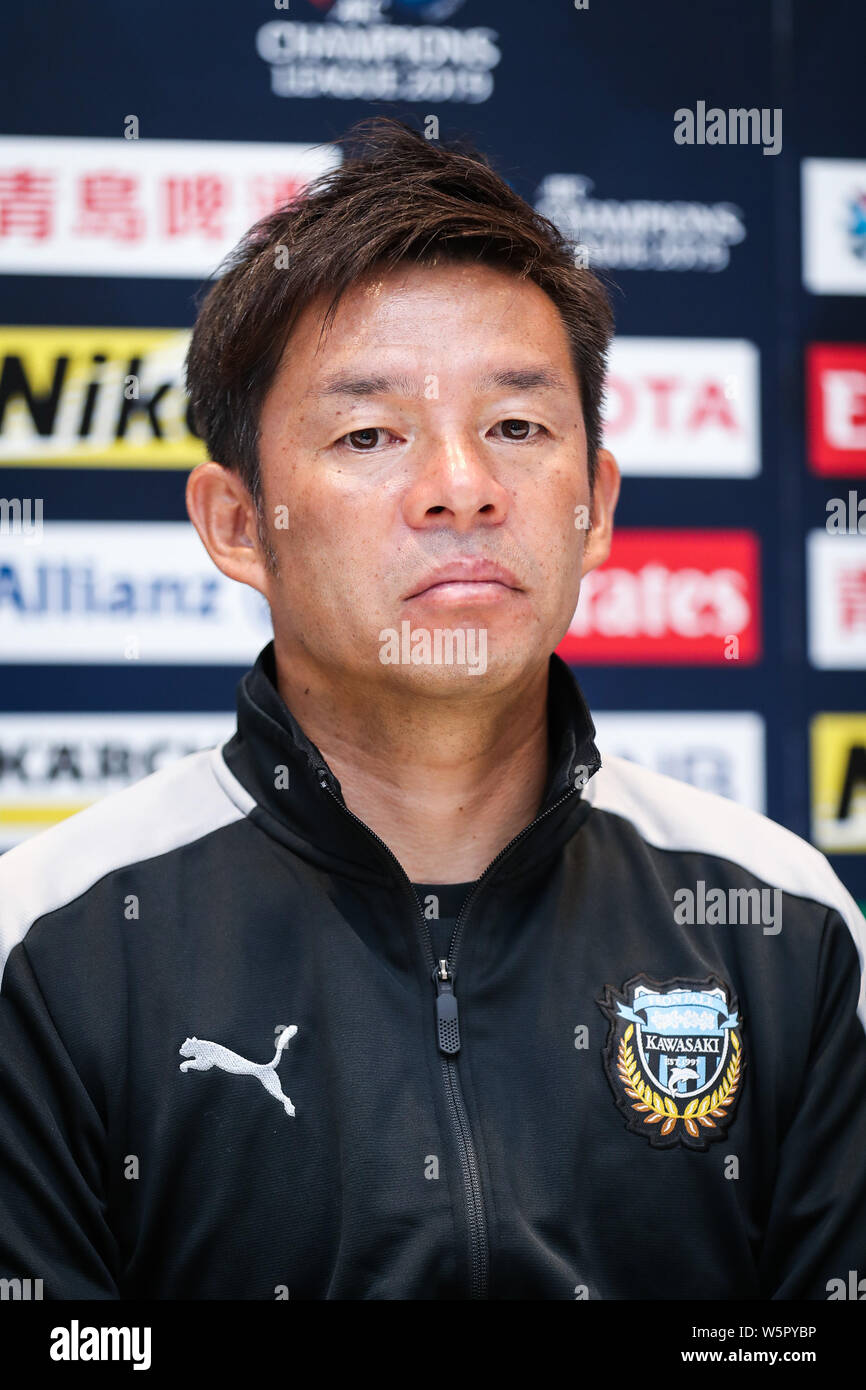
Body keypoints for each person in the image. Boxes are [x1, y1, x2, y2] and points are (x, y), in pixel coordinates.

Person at [0, 119, 864, 1301]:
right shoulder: (51, 946)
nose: (460, 486)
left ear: (595, 508)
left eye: (516, 427)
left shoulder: (781, 927)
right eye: (369, 433)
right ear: (238, 524)